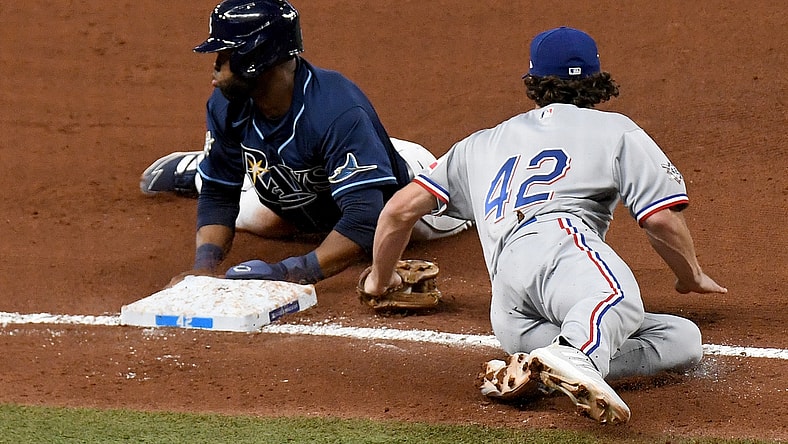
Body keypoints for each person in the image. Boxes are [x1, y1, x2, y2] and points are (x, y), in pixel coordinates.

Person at [359, 26, 727, 424]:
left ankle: (542, 368)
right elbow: (660, 219)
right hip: (555, 246)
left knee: (681, 340)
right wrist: (690, 275)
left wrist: (381, 280)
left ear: (533, 82)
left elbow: (398, 212)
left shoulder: (479, 144)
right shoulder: (615, 130)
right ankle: (574, 354)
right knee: (617, 298)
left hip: (511, 309)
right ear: (597, 80)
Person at [140, 0, 470, 286]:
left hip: (395, 187)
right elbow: (218, 194)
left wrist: (291, 271)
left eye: (222, 58)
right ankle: (202, 166)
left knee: (445, 210)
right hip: (295, 185)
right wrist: (204, 269)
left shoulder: (336, 110)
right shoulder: (226, 104)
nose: (213, 72)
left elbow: (366, 218)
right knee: (254, 212)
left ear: (256, 60)